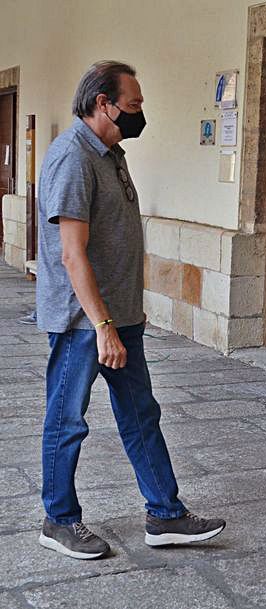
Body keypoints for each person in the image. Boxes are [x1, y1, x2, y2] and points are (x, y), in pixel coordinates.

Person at [36, 61, 225, 560]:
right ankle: (58, 519)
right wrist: (102, 326)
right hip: (85, 322)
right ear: (104, 103)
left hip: (122, 318)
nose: (141, 115)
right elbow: (71, 254)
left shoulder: (111, 153)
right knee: (67, 419)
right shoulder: (72, 158)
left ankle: (165, 514)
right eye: (134, 105)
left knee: (142, 414)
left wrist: (121, 321)